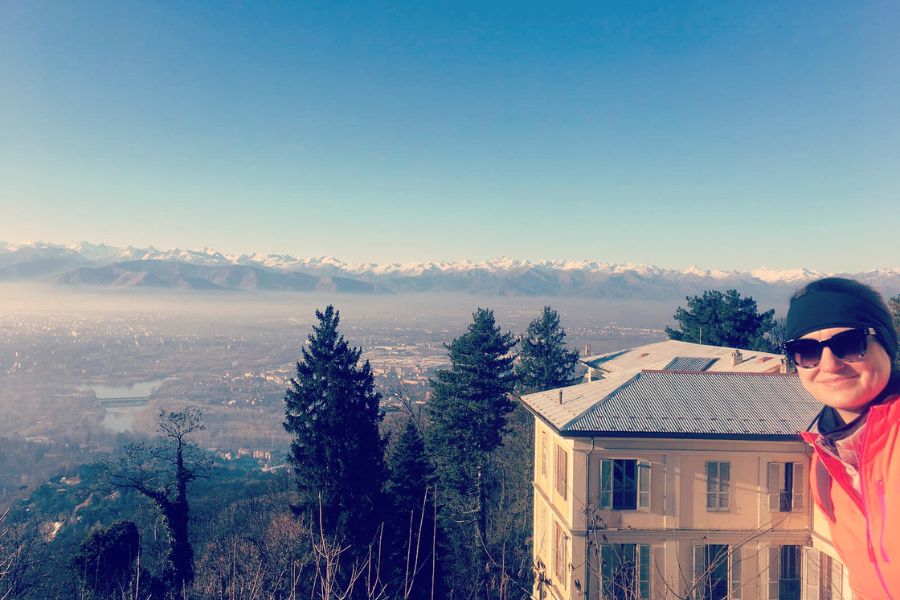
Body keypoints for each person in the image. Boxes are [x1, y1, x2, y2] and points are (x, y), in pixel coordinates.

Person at [785, 277, 899, 599]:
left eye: (850, 344)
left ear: (887, 345)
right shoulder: (826, 460)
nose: (829, 364)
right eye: (806, 351)